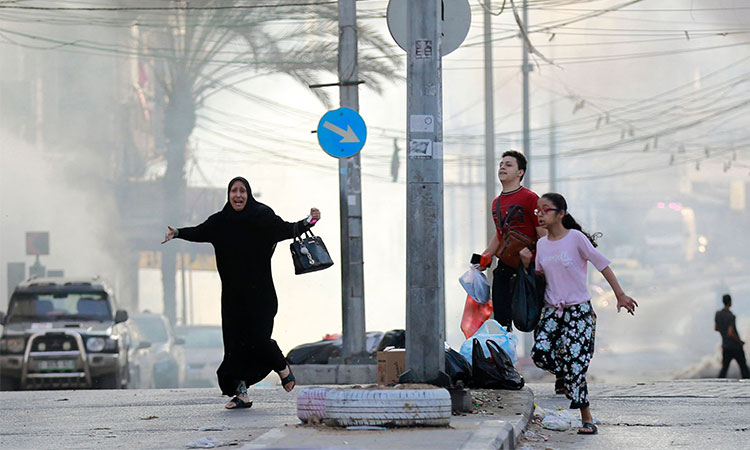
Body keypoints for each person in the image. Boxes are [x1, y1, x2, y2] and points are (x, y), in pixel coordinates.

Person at [161, 176, 321, 409]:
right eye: (234, 191)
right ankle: (241, 393)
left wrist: (310, 221)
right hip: (233, 299)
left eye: (242, 191)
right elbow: (199, 232)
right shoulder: (220, 222)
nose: (238, 195)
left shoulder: (262, 217)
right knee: (235, 348)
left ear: (249, 194)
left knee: (257, 340)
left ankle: (282, 366)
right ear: (228, 195)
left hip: (261, 296)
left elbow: (288, 229)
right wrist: (177, 233)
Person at [519, 192, 638, 436]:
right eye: (537, 210)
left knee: (576, 365)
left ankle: (587, 419)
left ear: (560, 213)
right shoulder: (541, 245)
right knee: (540, 354)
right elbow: (540, 279)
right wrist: (525, 264)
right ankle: (563, 373)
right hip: (552, 312)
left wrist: (620, 295)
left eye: (546, 209)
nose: (540, 214)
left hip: (579, 311)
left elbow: (602, 265)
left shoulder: (575, 239)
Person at [479, 150, 545, 331]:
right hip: (505, 266)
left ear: (520, 172)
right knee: (501, 322)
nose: (502, 168)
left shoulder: (530, 198)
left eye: (508, 165)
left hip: (529, 268)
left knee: (533, 318)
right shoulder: (496, 203)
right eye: (501, 165)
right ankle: (505, 357)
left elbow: (543, 234)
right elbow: (500, 236)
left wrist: (537, 263)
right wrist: (483, 258)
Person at [714, 294, 749, 379]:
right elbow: (731, 333)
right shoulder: (731, 315)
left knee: (724, 370)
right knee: (744, 369)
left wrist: (723, 332)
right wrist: (740, 341)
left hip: (726, 346)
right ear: (730, 302)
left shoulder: (718, 314)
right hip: (735, 346)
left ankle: (717, 387)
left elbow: (716, 328)